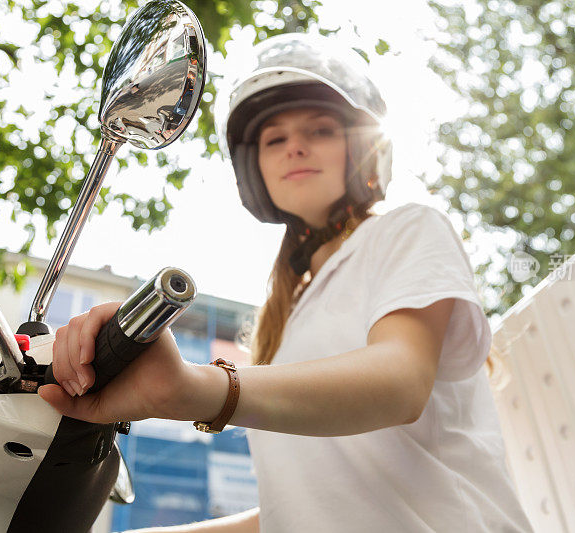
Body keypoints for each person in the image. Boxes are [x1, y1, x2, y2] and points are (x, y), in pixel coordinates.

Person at [38, 33, 533, 533]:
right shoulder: (286, 322)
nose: (295, 146)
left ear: (360, 148)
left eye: (319, 130)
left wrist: (194, 387)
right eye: (274, 139)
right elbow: (296, 509)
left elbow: (400, 382)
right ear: (255, 171)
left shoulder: (406, 230)